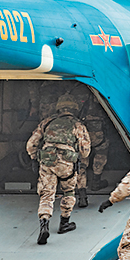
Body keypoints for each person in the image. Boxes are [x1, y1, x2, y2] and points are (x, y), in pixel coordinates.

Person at [26, 94, 91, 245]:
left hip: (47, 162)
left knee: (47, 194)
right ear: (75, 108)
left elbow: (30, 144)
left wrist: (35, 157)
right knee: (68, 192)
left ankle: (44, 224)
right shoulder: (77, 125)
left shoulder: (47, 122)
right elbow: (85, 151)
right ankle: (64, 223)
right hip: (66, 165)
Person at [75, 93, 110, 208]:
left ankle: (82, 194)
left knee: (82, 163)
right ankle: (96, 181)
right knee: (101, 155)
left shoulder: (81, 102)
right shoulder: (103, 101)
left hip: (84, 136)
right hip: (100, 137)